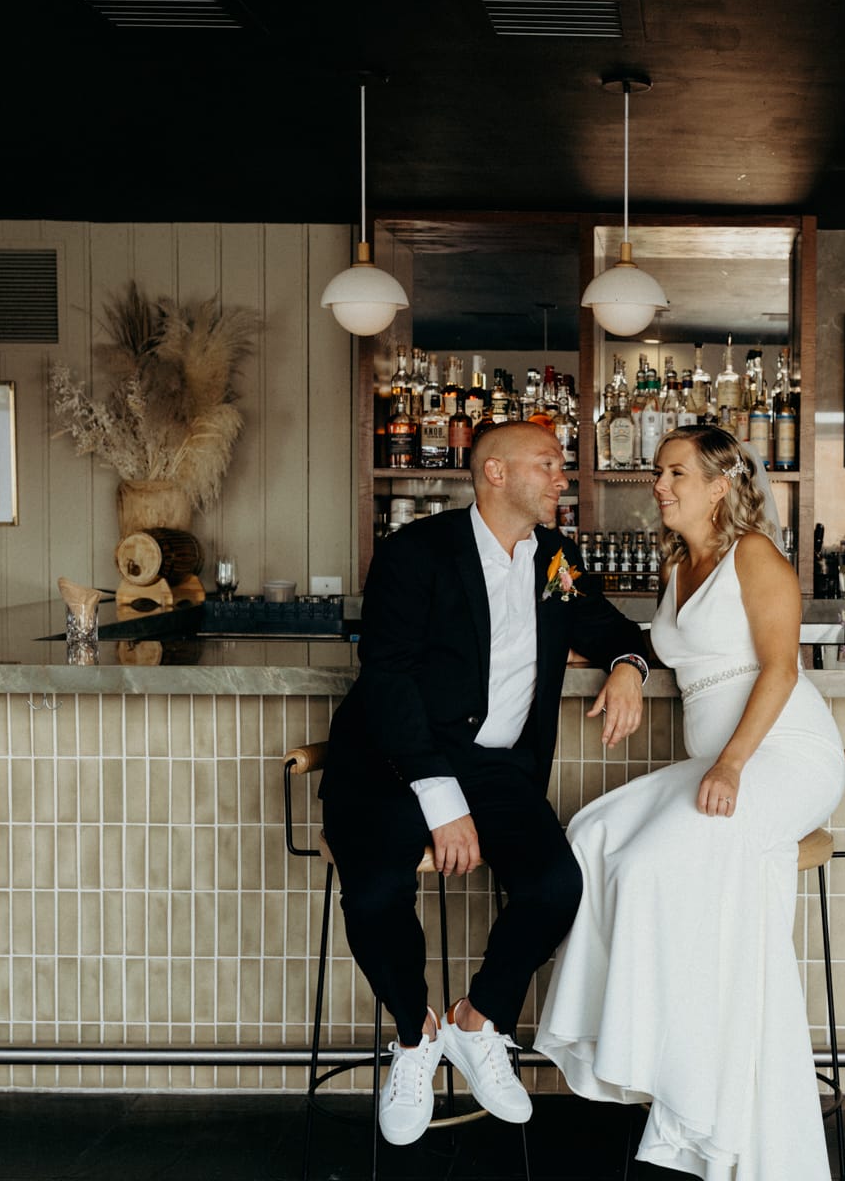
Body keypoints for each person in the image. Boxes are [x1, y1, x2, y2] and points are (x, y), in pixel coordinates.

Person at [319, 420, 649, 1146]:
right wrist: (440, 800)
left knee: (556, 886)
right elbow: (389, 678)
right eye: (549, 465)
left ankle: (477, 1022)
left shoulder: (554, 557)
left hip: (499, 770)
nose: (564, 477)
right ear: (494, 472)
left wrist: (629, 665)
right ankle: (414, 1038)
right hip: (388, 765)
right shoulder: (415, 553)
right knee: (375, 890)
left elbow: (611, 627)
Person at [535, 425, 845, 1181]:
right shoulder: (681, 565)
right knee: (593, 833)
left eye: (675, 473)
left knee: (646, 865)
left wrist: (734, 766)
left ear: (720, 485)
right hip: (720, 757)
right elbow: (665, 648)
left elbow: (778, 669)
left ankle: (683, 1083)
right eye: (658, 472)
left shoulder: (756, 557)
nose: (660, 485)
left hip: (782, 755)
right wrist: (624, 664)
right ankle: (637, 1052)